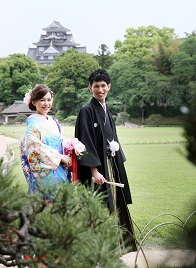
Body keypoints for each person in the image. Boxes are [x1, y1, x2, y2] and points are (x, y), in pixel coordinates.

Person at [75, 69, 137, 252]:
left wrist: (117, 157)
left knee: (115, 206)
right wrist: (94, 171)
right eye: (96, 86)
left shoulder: (105, 109)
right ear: (90, 88)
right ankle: (96, 253)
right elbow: (85, 140)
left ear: (109, 87)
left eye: (103, 86)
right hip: (98, 168)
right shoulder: (86, 111)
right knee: (99, 208)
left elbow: (112, 137)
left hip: (110, 165)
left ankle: (114, 250)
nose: (100, 90)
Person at [19, 84, 71, 197]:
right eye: (42, 100)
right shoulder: (33, 125)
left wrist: (72, 148)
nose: (46, 104)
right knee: (46, 204)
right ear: (34, 102)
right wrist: (60, 157)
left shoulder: (54, 122)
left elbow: (62, 141)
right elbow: (35, 150)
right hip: (44, 174)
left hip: (61, 169)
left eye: (49, 100)